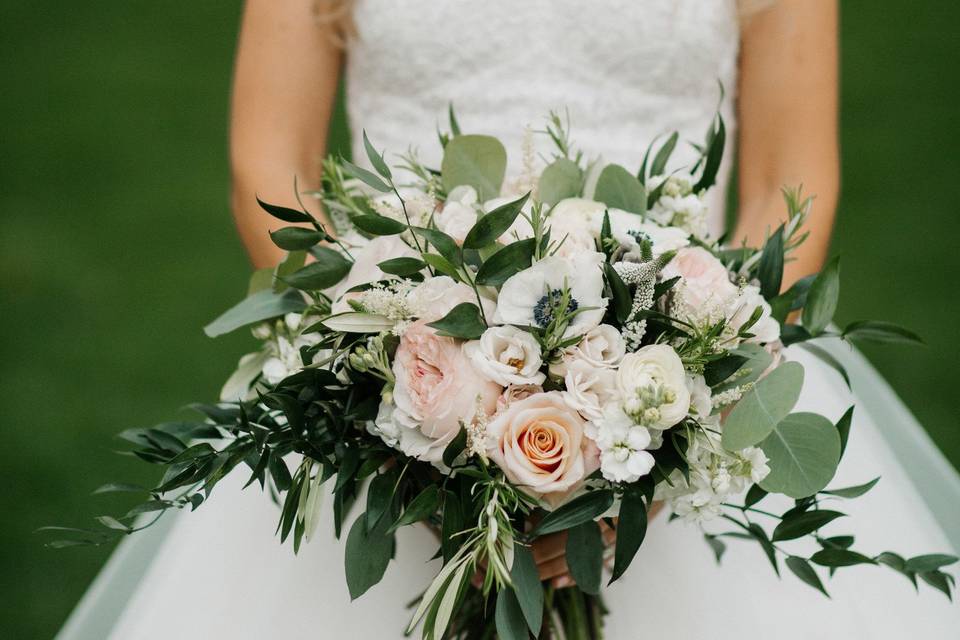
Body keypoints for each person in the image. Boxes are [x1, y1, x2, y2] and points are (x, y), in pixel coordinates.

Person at [58, 1, 960, 638]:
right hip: (388, 383)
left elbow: (785, 188)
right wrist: (385, 383)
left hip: (672, 392)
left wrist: (680, 410)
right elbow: (270, 164)